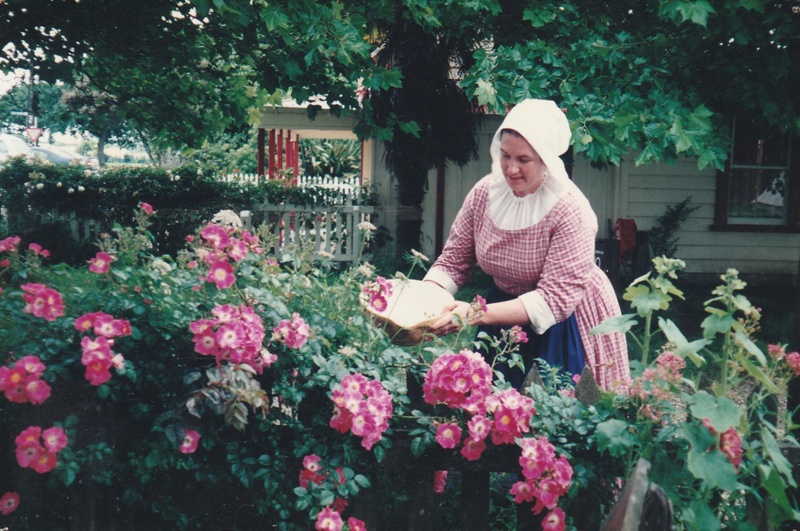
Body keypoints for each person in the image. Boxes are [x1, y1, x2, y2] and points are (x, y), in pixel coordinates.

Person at [425, 99, 629, 391]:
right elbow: (454, 261)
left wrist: (472, 313)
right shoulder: (485, 194)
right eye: (505, 155)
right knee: (495, 403)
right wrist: (424, 301)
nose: (511, 169)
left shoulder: (570, 210)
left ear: (545, 158)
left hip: (565, 318)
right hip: (501, 309)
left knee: (559, 406)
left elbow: (553, 300)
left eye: (523, 160)